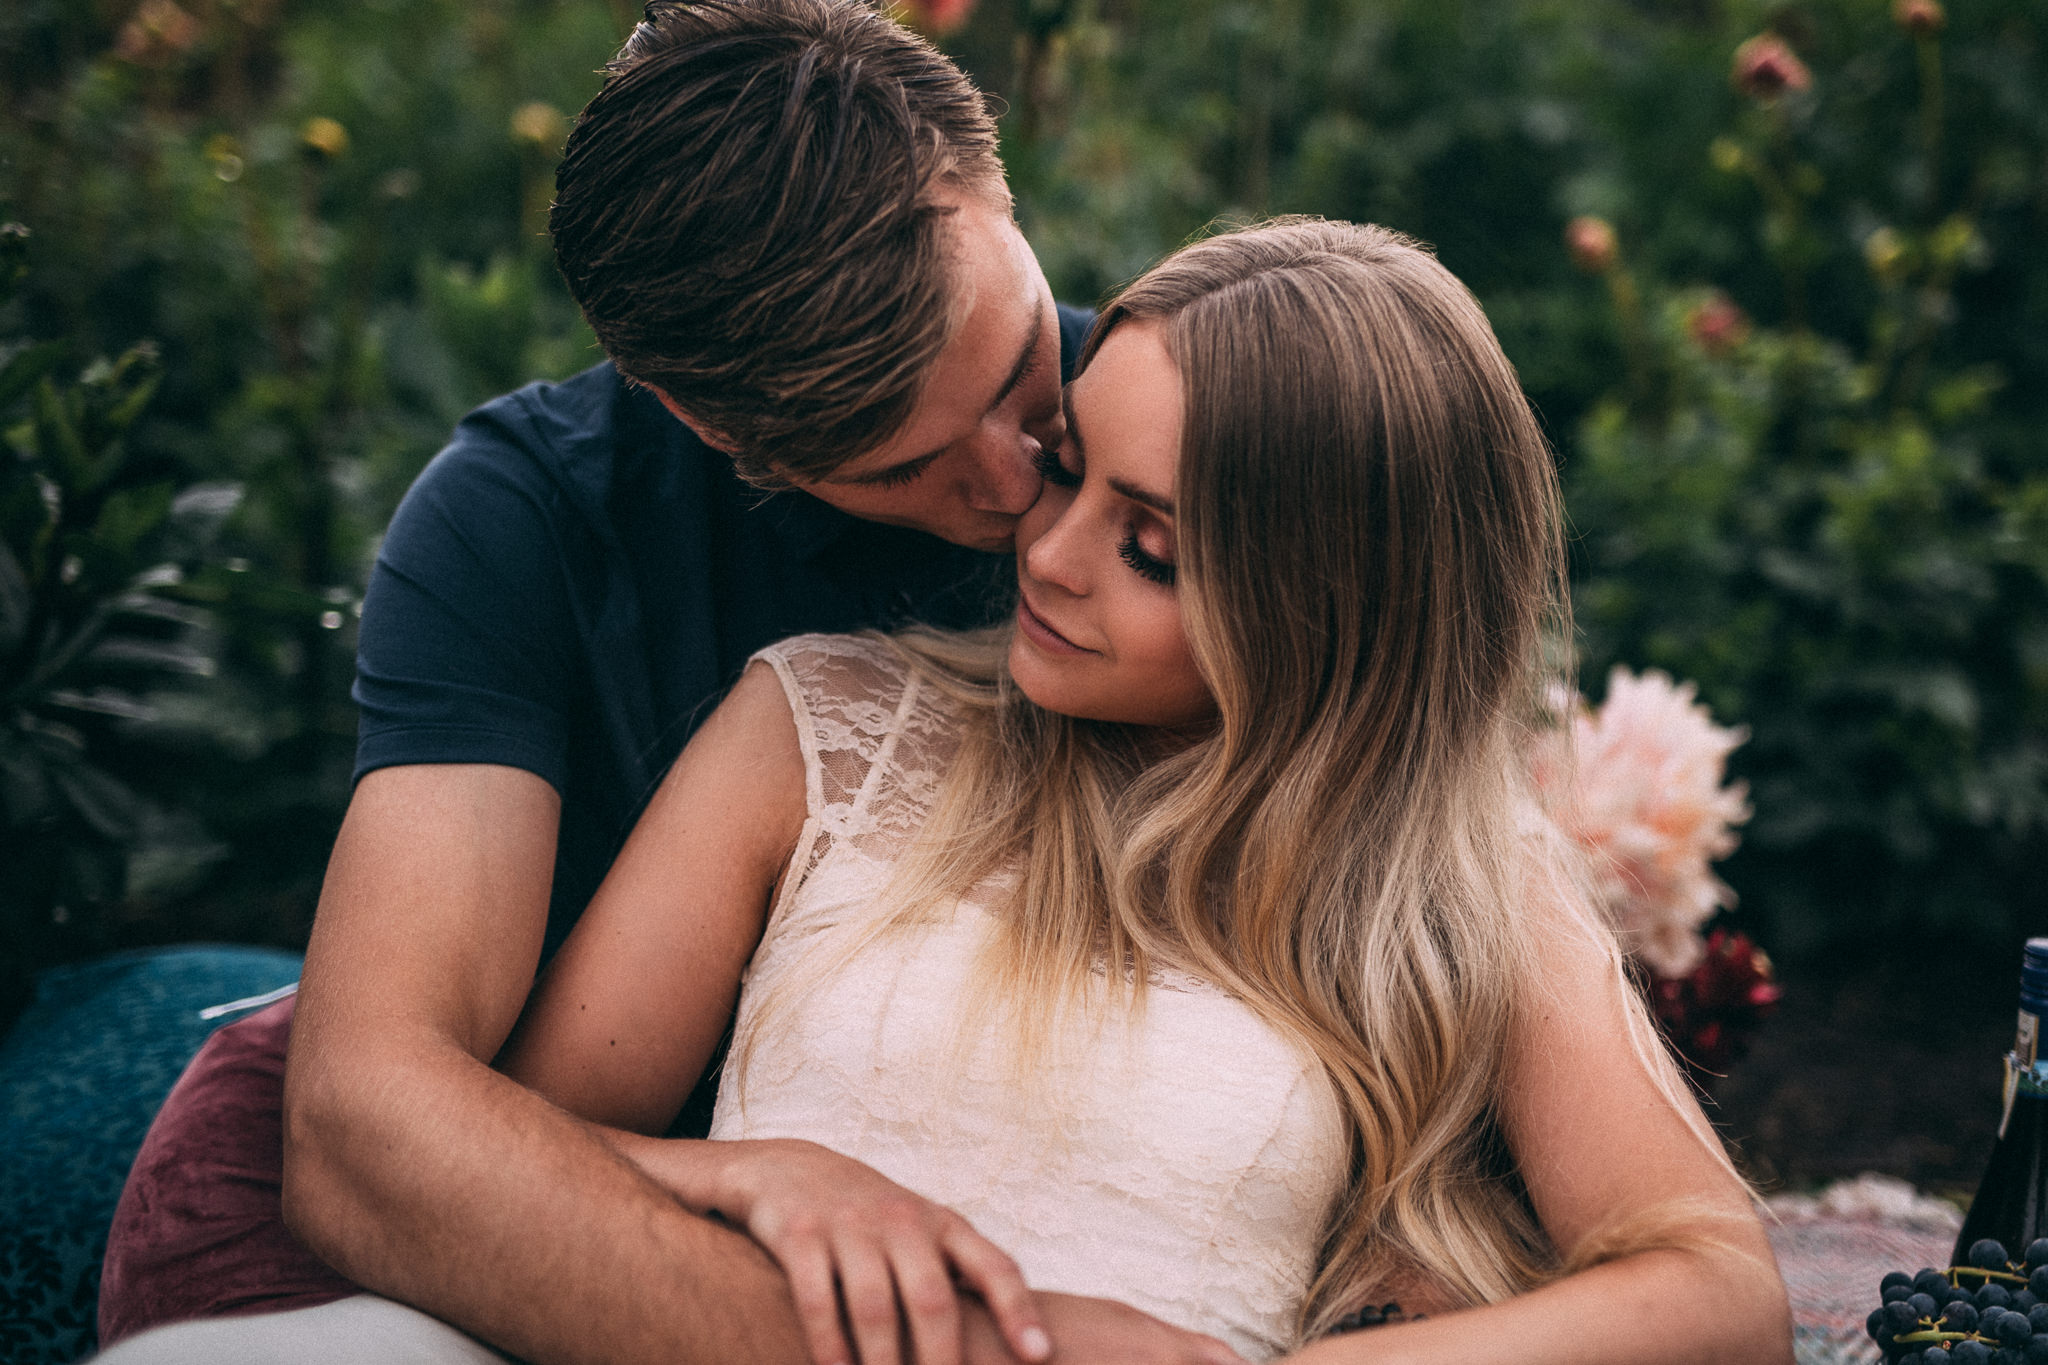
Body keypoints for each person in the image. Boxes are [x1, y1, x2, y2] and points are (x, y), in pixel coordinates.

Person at [95, 2, 1205, 1362]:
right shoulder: (528, 521)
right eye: (900, 464)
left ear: (998, 196)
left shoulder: (1161, 444)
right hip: (448, 1204)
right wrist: (771, 1203)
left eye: (1022, 364)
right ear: (704, 418)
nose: (1019, 480)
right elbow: (363, 1137)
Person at [484, 219, 1798, 1365]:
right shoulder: (820, 726)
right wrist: (747, 1176)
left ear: (1330, 613)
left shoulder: (1458, 871)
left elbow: (1722, 1300)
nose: (1046, 554)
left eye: (1150, 548)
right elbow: (492, 1156)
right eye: (1066, 464)